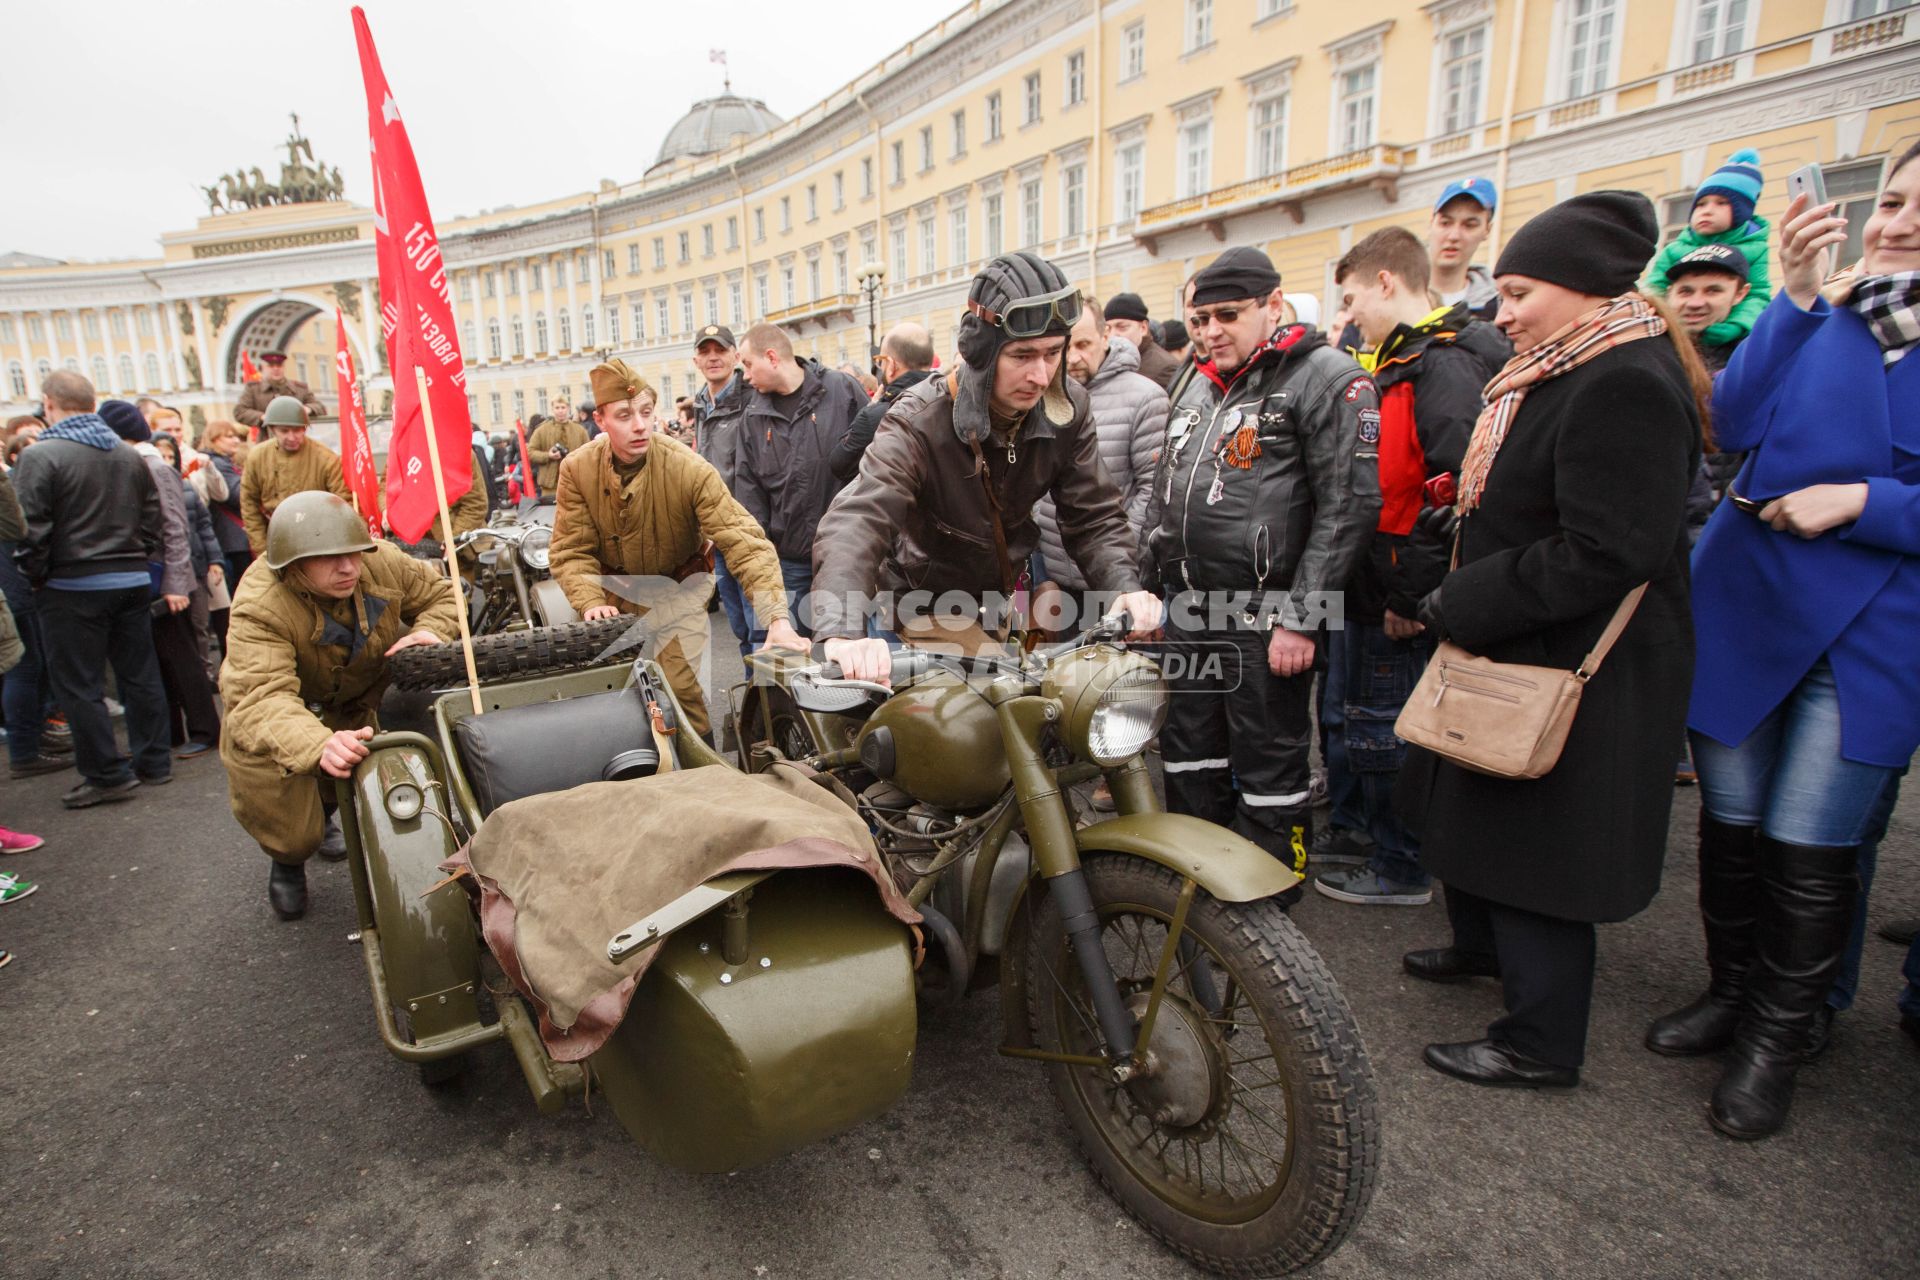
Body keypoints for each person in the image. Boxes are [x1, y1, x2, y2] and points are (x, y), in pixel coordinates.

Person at [1396, 191, 1705, 1090]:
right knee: (1486, 819)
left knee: (1541, 852)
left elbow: (1608, 549)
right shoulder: (1567, 367)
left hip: (1575, 660)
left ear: (1583, 287)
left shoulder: (1624, 381)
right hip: (1520, 637)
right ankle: (1484, 951)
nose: (1506, 312)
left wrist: (1463, 597)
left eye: (1523, 292)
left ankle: (1540, 1041)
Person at [1649, 143, 1920, 1139]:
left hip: (1874, 632)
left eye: (1915, 208)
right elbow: (1729, 420)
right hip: (1748, 605)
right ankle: (1730, 994)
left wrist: (1867, 499)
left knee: (1812, 846)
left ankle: (1778, 1038)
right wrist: (1798, 293)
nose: (1894, 222)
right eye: (1890, 199)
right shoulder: (1830, 313)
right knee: (1732, 824)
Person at [1142, 246, 1381, 875]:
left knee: (1268, 763)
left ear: (1273, 305)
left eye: (1227, 315)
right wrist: (1143, 588)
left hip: (1266, 616)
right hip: (1188, 606)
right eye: (1198, 320)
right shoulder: (1191, 378)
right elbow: (1164, 491)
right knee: (1188, 753)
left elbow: (1348, 505)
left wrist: (1302, 617)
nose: (1210, 331)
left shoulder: (1328, 377)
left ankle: (1274, 887)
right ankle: (1197, 886)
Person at [814, 251, 1161, 679]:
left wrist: (1124, 589)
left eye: (1053, 353)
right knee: (983, 714)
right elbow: (860, 516)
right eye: (1022, 356)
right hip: (923, 601)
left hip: (1002, 597)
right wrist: (841, 632)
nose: (1040, 374)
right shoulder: (918, 420)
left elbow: (1094, 516)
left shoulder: (1066, 409)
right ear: (981, 351)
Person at [1313, 227, 1509, 907]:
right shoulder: (1395, 361)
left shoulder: (1441, 366)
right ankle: (1367, 833)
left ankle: (1400, 866)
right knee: (1361, 718)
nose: (1348, 314)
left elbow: (1452, 491)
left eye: (1354, 296)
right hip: (1371, 582)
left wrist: (1411, 591)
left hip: (1397, 592)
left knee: (1386, 726)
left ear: (1387, 283)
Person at [221, 492, 458, 919]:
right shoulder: (259, 605)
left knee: (359, 792)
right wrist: (317, 745)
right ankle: (289, 862)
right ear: (291, 563)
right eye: (329, 558)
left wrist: (431, 632)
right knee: (294, 834)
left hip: (351, 709)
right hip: (284, 720)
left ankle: (325, 810)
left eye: (354, 552)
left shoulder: (382, 562)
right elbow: (261, 697)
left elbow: (444, 595)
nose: (349, 567)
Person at [549, 358, 803, 740]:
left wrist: (777, 619)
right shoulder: (577, 469)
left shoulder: (688, 468)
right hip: (610, 601)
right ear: (600, 420)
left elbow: (745, 542)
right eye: (623, 415)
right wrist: (589, 601)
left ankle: (703, 776)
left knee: (682, 696)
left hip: (677, 592)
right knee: (610, 699)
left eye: (646, 412)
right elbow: (571, 550)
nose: (639, 425)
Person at [12, 372, 174, 809]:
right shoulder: (127, 455)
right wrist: (136, 559)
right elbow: (152, 521)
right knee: (139, 674)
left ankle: (106, 775)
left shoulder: (41, 456)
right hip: (130, 579)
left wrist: (37, 575)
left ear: (50, 404)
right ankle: (155, 761)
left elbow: (31, 528)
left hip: (71, 584)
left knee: (79, 684)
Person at [1031, 297, 1166, 628]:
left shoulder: (1145, 397)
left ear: (1106, 336)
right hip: (1057, 577)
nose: (1074, 356)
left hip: (1115, 580)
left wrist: (1116, 558)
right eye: (1065, 347)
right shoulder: (1044, 398)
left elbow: (1153, 490)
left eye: (1084, 343)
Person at [733, 322, 870, 642]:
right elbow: (749, 495)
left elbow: (878, 461)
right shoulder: (752, 417)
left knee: (841, 660)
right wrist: (762, 563)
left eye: (749, 365)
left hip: (844, 560)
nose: (746, 376)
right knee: (783, 660)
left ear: (772, 357)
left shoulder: (842, 390)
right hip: (786, 565)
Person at [111, 413, 222, 760]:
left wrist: (174, 583)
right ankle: (174, 730)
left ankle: (205, 729)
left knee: (183, 658)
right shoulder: (139, 465)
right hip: (153, 579)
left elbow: (176, 530)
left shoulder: (154, 468)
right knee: (162, 660)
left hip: (167, 581)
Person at [1643, 149, 1775, 349]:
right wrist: (1661, 321)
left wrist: (1737, 325)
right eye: (1701, 204)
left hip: (1726, 341)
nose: (1707, 211)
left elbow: (1757, 295)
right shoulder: (1676, 248)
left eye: (1721, 203)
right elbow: (1654, 289)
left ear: (1743, 211)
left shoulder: (1755, 247)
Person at [0, 458, 65, 782]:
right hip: (9, 586)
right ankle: (24, 751)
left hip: (13, 583)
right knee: (22, 667)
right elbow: (15, 527)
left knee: (32, 664)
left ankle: (34, 735)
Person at [691, 325, 755, 656]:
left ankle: (769, 704)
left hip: (748, 528)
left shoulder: (752, 399)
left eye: (720, 350)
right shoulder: (701, 405)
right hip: (718, 535)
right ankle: (753, 700)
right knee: (741, 629)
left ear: (736, 355)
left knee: (762, 628)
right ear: (696, 360)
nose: (713, 357)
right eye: (706, 351)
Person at [829, 321, 936, 485]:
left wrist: (869, 410)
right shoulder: (950, 400)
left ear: (892, 365)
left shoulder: (876, 416)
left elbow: (839, 464)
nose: (880, 367)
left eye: (881, 360)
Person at [239, 397, 349, 557]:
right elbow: (249, 505)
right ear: (272, 429)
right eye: (284, 431)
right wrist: (262, 548)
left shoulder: (325, 458)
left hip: (318, 537)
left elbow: (342, 502)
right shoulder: (257, 457)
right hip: (276, 536)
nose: (292, 437)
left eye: (298, 430)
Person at [1428, 178, 1501, 320]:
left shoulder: (1498, 310)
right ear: (1431, 223)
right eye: (1445, 223)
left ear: (1487, 230)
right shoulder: (1393, 293)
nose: (1454, 236)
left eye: (1469, 225)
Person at [200, 421, 251, 587]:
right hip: (233, 539)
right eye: (229, 437)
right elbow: (238, 495)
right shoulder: (219, 463)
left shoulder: (222, 461)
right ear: (214, 440)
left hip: (232, 537)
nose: (236, 440)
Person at [232, 351, 326, 433]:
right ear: (263, 368)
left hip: (298, 438)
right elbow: (240, 412)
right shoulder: (254, 389)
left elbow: (320, 407)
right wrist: (264, 417)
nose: (276, 369)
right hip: (267, 439)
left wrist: (306, 409)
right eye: (271, 366)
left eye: (279, 365)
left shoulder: (299, 389)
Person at [1101, 292, 1179, 390]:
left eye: (1122, 327)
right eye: (1108, 328)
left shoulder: (1166, 367)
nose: (1113, 335)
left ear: (1143, 328)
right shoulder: (1108, 361)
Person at [526, 404, 588, 497]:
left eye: (563, 407)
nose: (560, 411)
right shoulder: (542, 430)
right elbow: (530, 452)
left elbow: (589, 453)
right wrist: (548, 455)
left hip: (574, 484)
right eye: (557, 408)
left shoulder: (580, 430)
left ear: (568, 408)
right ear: (552, 409)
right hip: (550, 486)